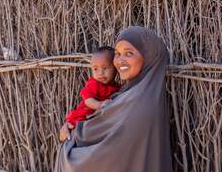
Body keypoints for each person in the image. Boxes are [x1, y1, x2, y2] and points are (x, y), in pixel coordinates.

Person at [57, 26, 172, 172]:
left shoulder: (137, 104)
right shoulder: (134, 94)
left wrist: (70, 140)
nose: (119, 61)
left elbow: (104, 156)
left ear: (149, 57)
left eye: (128, 53)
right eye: (117, 54)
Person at [61, 47, 121, 136]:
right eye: (95, 69)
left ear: (115, 68)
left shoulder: (118, 88)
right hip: (83, 116)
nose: (100, 73)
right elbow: (88, 101)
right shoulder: (94, 84)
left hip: (96, 120)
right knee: (74, 133)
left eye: (105, 68)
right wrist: (100, 105)